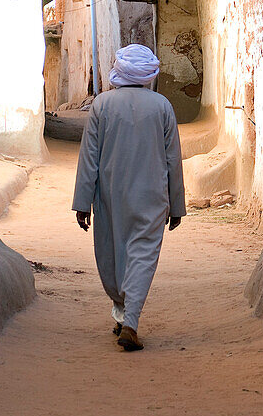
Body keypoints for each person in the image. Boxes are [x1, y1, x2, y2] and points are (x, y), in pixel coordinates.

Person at [72, 44, 186, 351]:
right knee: (142, 255)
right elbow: (173, 159)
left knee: (113, 253)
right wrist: (177, 206)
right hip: (152, 197)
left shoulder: (102, 105)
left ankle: (127, 318)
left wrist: (83, 203)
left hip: (110, 194)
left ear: (119, 70)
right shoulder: (162, 106)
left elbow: (89, 158)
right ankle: (127, 319)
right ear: (149, 73)